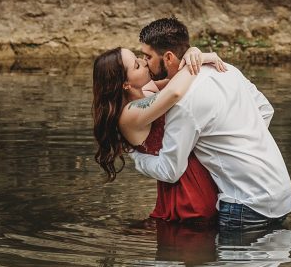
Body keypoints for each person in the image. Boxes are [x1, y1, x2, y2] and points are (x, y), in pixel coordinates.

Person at [130, 17, 291, 231]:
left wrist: (135, 154)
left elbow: (170, 170)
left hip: (245, 204)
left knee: (223, 265)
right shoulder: (225, 69)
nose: (145, 61)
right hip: (281, 194)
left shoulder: (183, 103)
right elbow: (265, 110)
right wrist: (238, 142)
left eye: (148, 56)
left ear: (169, 57)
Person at [92, 44, 226, 222]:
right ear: (125, 84)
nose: (144, 62)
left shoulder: (146, 91)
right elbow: (175, 92)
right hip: (186, 190)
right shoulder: (129, 114)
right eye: (137, 65)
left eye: (139, 57)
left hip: (196, 173)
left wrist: (193, 52)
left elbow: (179, 79)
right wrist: (201, 59)